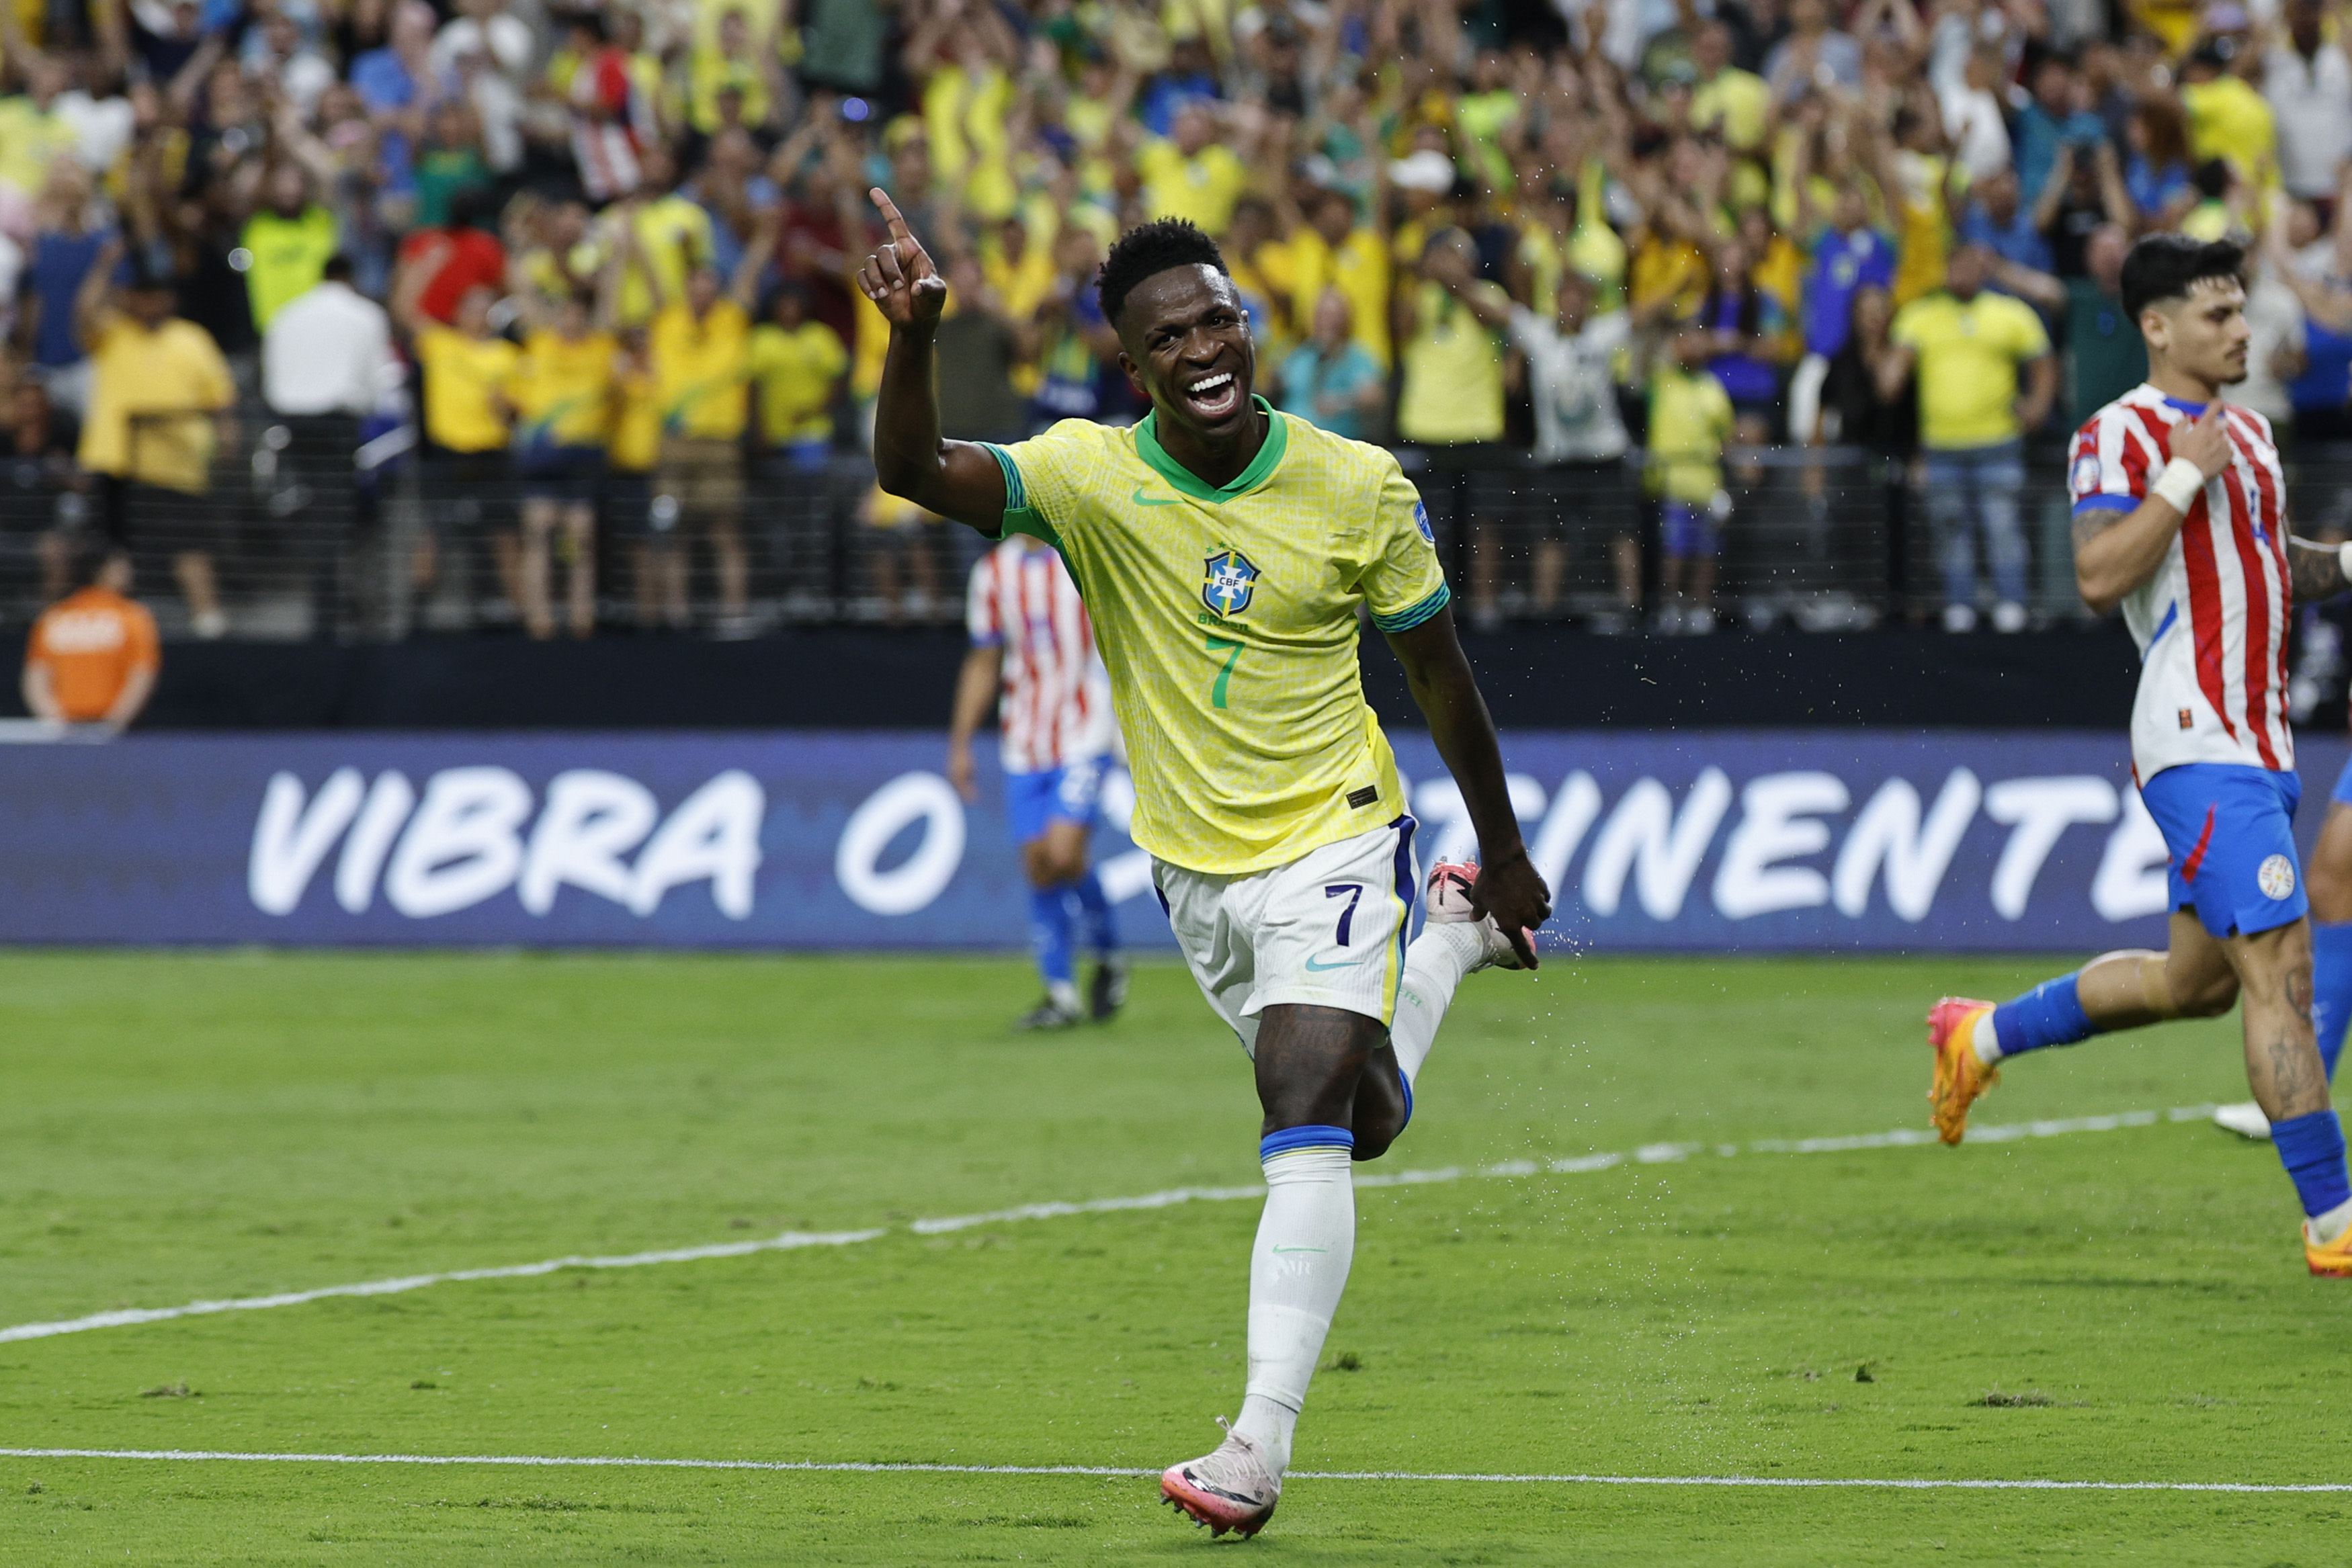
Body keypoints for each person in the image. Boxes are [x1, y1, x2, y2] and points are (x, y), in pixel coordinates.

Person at [857, 197, 1549, 1538]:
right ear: (1136, 368)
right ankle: (1451, 944)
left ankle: (1254, 1450)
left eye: (1218, 318)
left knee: (1295, 1092)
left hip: (1339, 831)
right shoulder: (1087, 476)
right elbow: (911, 473)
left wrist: (1504, 845)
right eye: (1169, 334)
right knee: (1361, 1122)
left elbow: (1439, 674)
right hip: (1197, 870)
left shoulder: (1358, 485)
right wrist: (912, 342)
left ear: (1251, 327)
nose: (1202, 347)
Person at [1927, 234, 2352, 1278]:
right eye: (2218, 314)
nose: (2242, 328)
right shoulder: (2117, 435)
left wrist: (2344, 558)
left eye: (2241, 310)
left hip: (2258, 739)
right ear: (2157, 328)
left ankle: (1979, 1036)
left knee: (2198, 982)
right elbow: (2098, 574)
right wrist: (2177, 476)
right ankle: (2335, 1223)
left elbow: (2269, 569)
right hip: (2196, 735)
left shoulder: (2249, 437)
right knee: (2281, 972)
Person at [948, 533, 1128, 1028]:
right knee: (1040, 866)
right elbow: (984, 660)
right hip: (1024, 740)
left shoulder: (1082, 556)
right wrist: (961, 744)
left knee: (1064, 852)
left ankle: (1111, 955)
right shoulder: (992, 572)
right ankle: (1061, 993)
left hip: (1086, 732)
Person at [1880, 243, 2058, 632]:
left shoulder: (2010, 313)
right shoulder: (1919, 315)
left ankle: (2012, 604)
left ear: (1984, 268)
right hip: (1941, 447)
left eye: (1969, 263)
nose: (1961, 271)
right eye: (1954, 263)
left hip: (1998, 443)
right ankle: (1959, 605)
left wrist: (2038, 406)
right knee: (1950, 531)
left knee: (2003, 528)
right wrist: (1890, 369)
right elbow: (1894, 373)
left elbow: (2044, 363)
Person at [75, 244, 235, 639]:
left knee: (190, 550)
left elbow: (222, 401)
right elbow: (82, 316)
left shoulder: (192, 339)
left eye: (156, 296)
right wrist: (105, 266)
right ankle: (105, 635)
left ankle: (209, 627)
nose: (148, 304)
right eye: (140, 295)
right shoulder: (114, 332)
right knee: (115, 555)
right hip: (117, 461)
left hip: (175, 465)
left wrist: (228, 438)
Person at [261, 254, 402, 639]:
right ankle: (330, 614)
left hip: (292, 426)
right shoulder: (365, 315)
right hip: (337, 426)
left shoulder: (286, 315)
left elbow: (273, 379)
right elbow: (379, 382)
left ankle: (329, 607)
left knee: (319, 512)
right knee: (333, 517)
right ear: (350, 277)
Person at [505, 281, 616, 639]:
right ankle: (539, 620)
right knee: (539, 531)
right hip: (544, 456)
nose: (571, 321)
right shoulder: (540, 344)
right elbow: (526, 295)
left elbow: (611, 307)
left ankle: (581, 618)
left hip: (584, 453)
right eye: (564, 314)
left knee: (581, 536)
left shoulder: (601, 348)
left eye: (578, 314)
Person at [1646, 320, 1734, 632]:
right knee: (1675, 552)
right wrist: (1678, 341)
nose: (1694, 346)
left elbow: (1727, 437)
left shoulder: (1712, 387)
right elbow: (1652, 351)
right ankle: (1672, 605)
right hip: (1672, 485)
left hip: (1707, 485)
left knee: (1707, 553)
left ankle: (1701, 607)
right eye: (1688, 339)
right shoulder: (1662, 379)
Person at [22, 546, 157, 730]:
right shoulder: (132, 616)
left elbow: (35, 678)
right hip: (113, 730)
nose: (129, 572)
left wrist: (54, 721)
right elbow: (142, 673)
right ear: (101, 572)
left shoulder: (53, 616)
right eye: (121, 567)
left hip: (66, 728)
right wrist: (114, 723)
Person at [1275, 288, 1384, 442]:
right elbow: (1276, 384)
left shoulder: (1356, 357)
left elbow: (1373, 397)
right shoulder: (1300, 354)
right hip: (1292, 443)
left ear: (1347, 320)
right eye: (1322, 315)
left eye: (1335, 316)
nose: (1328, 322)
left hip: (1335, 449)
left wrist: (1341, 403)